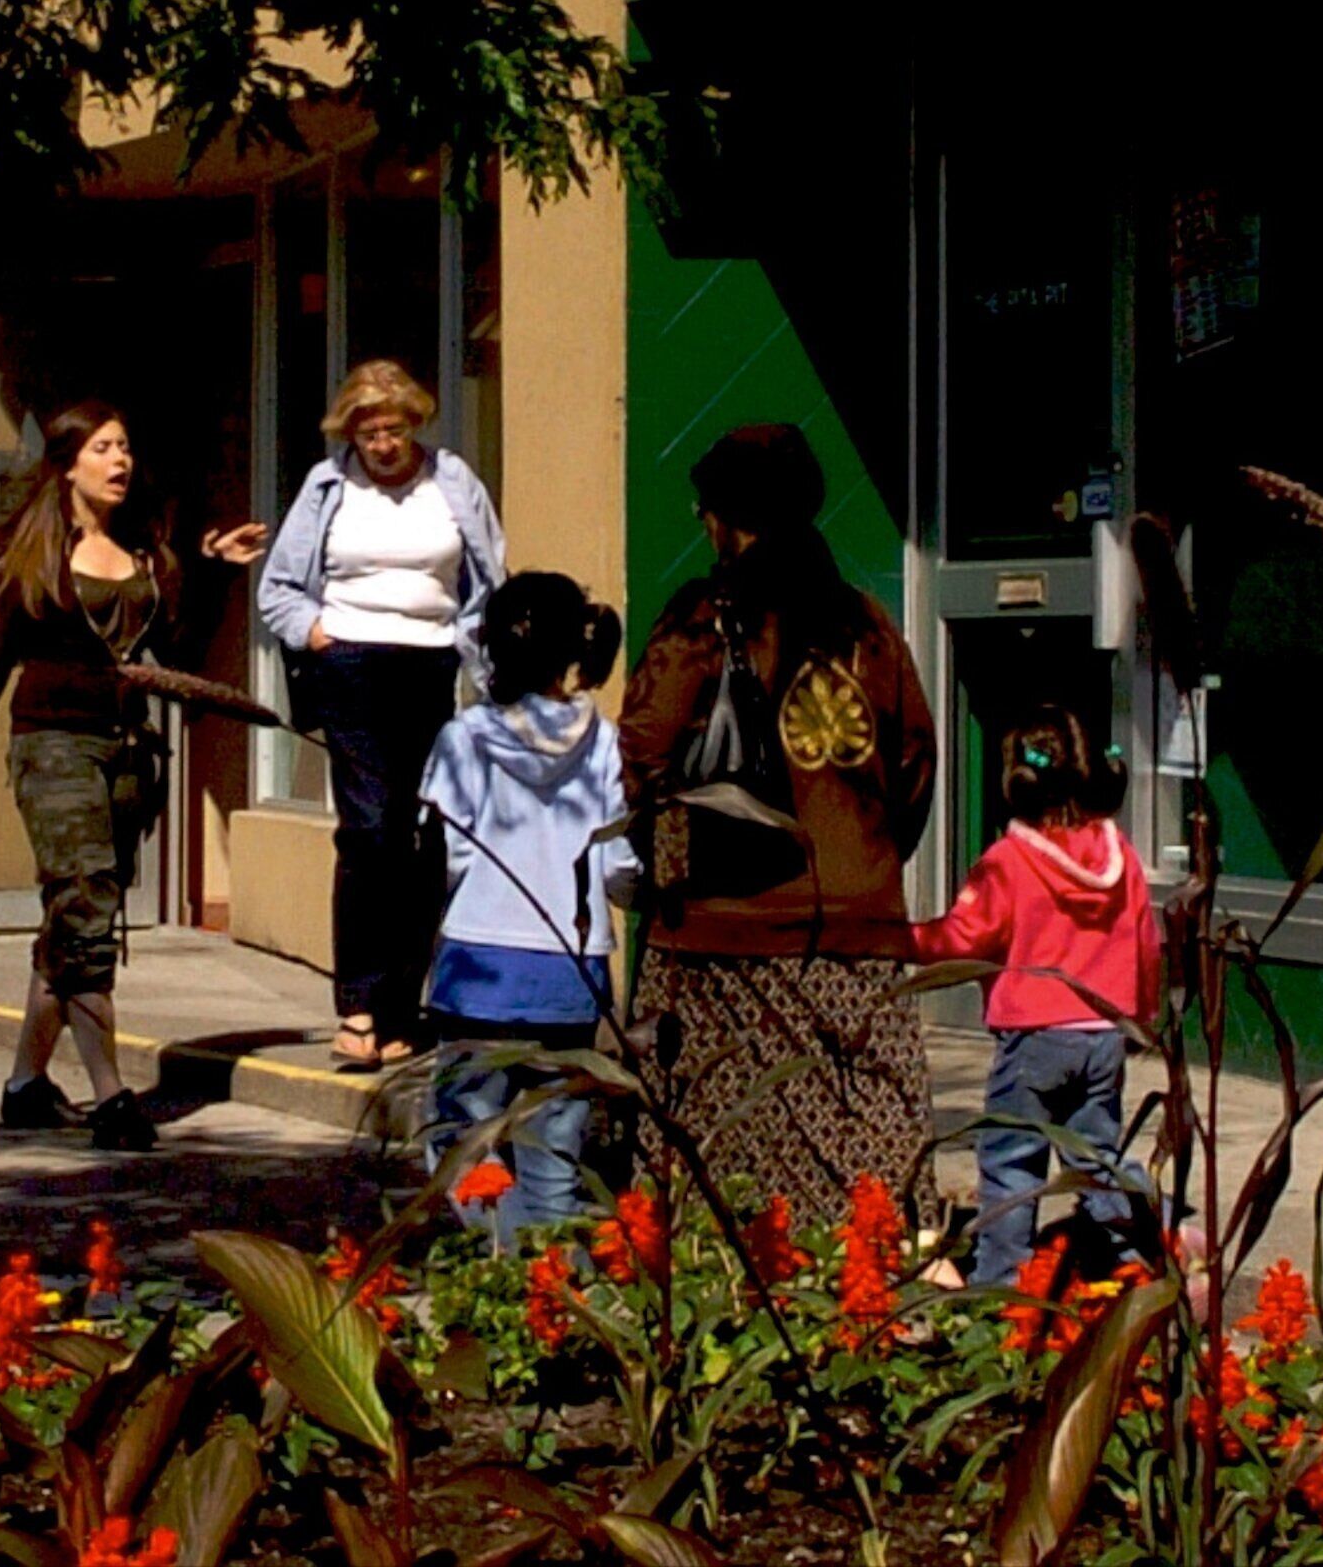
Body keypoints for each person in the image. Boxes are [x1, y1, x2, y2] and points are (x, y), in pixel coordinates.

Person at [0, 401, 266, 1150]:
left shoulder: (146, 555)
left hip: (128, 753)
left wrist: (216, 577)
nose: (119, 461)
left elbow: (180, 657)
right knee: (86, 915)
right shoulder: (38, 561)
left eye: (125, 447)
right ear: (69, 465)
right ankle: (111, 1097)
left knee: (73, 922)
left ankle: (26, 1087)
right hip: (54, 750)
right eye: (103, 448)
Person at [618, 423, 941, 1218]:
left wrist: (669, 861)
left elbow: (643, 753)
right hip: (856, 930)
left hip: (722, 938)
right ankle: (875, 1271)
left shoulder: (702, 620)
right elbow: (914, 764)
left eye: (705, 509)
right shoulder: (867, 623)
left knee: (720, 1170)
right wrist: (862, 863)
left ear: (727, 519)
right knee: (864, 1152)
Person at [258, 360, 506, 1069]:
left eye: (394, 431)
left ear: (415, 424)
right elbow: (279, 586)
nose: (383, 446)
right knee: (369, 830)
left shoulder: (452, 481)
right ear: (349, 435)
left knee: (422, 835)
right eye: (368, 435)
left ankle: (404, 1003)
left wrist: (480, 657)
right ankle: (360, 1004)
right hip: (350, 664)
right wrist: (314, 633)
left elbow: (491, 576)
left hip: (431, 664)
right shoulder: (327, 486)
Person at [914, 702, 1161, 1287]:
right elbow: (1146, 943)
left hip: (1033, 1038)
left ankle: (1002, 1283)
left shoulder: (1007, 860)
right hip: (1104, 1033)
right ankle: (1140, 1250)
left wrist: (900, 938)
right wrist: (1141, 1018)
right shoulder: (1121, 855)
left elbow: (964, 937)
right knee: (1094, 1156)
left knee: (1012, 1160)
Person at [417, 570, 630, 1242]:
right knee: (556, 1163)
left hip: (478, 968)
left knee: (460, 1141)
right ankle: (551, 1277)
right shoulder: (604, 741)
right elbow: (620, 864)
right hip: (572, 972)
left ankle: (498, 1255)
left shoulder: (465, 738)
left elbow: (448, 856)